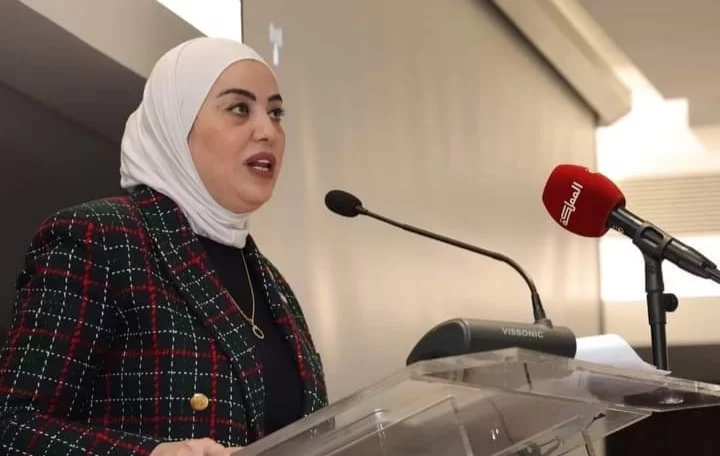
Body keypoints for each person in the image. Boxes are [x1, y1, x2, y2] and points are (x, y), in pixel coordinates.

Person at [0, 37, 328, 455]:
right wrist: (154, 454)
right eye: (239, 108)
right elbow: (12, 426)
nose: (268, 131)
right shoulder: (99, 238)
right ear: (177, 122)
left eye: (276, 113)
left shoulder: (274, 285)